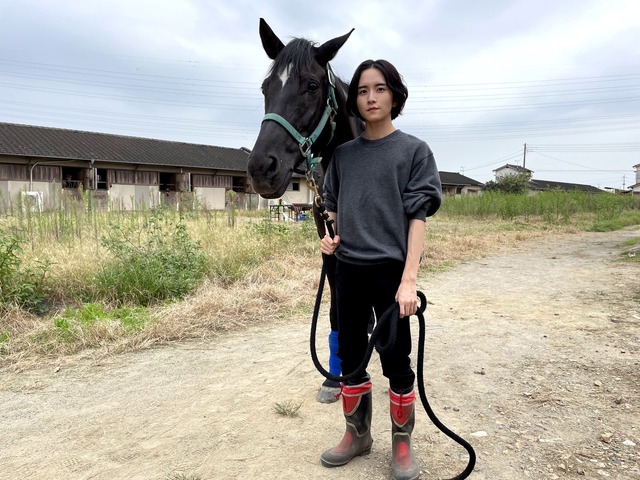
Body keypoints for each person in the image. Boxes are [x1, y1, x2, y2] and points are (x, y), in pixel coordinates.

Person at [319, 59, 442, 480]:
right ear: (354, 100)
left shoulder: (413, 151)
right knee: (351, 356)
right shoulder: (342, 156)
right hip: (348, 270)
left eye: (380, 89)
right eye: (362, 91)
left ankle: (402, 444)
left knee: (395, 357)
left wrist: (409, 280)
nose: (370, 98)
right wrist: (330, 237)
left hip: (391, 273)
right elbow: (334, 209)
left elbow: (418, 219)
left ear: (394, 95)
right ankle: (357, 435)